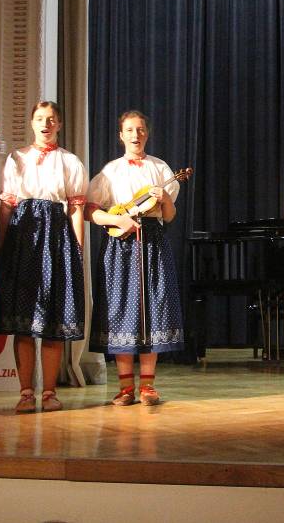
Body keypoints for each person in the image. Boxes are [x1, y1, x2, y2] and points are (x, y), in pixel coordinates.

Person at [86, 110, 183, 406]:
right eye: (129, 130)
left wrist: (164, 198)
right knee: (120, 311)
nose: (135, 135)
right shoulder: (110, 171)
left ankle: (148, 386)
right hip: (120, 245)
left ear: (147, 133)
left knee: (152, 308)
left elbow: (168, 216)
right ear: (121, 135)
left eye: (140, 129)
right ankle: (126, 387)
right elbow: (92, 211)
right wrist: (119, 222)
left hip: (152, 241)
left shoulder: (161, 168)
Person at [0, 101, 87, 413]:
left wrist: (77, 249)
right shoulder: (17, 158)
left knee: (51, 319)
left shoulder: (70, 161)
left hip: (56, 236)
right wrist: (1, 245)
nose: (45, 124)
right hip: (24, 235)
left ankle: (49, 392)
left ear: (59, 124)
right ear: (32, 123)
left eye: (51, 119)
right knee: (23, 321)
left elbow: (75, 207)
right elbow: (7, 205)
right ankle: (25, 392)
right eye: (39, 119)